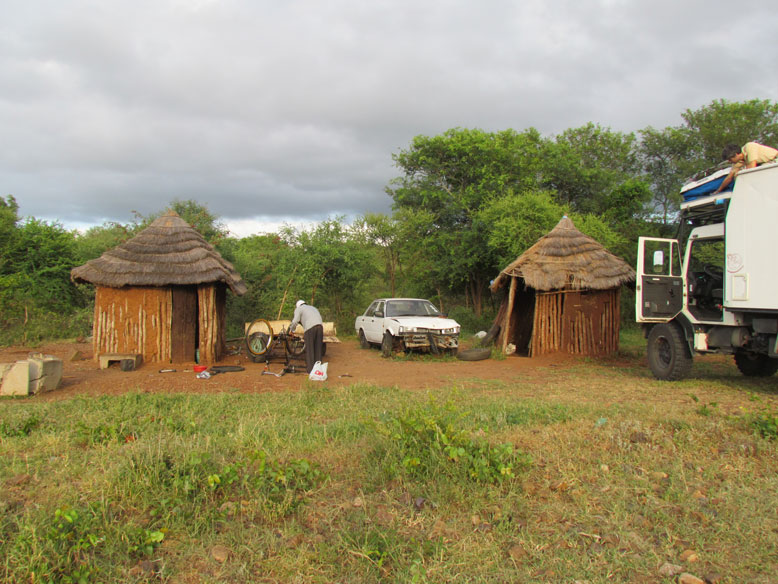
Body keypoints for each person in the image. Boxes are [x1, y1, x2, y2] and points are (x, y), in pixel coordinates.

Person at [713, 142, 778, 194]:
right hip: (763, 164)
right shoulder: (738, 163)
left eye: (730, 159)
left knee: (758, 171)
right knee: (737, 174)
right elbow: (729, 177)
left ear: (736, 155)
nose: (730, 162)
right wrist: (718, 190)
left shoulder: (750, 147)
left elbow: (752, 168)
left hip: (773, 161)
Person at [288, 299, 324, 373]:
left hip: (310, 328)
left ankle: (310, 371)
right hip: (320, 327)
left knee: (310, 349)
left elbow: (295, 321)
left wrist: (292, 330)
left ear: (297, 306)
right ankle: (318, 370)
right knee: (318, 349)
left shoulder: (299, 309)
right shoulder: (313, 308)